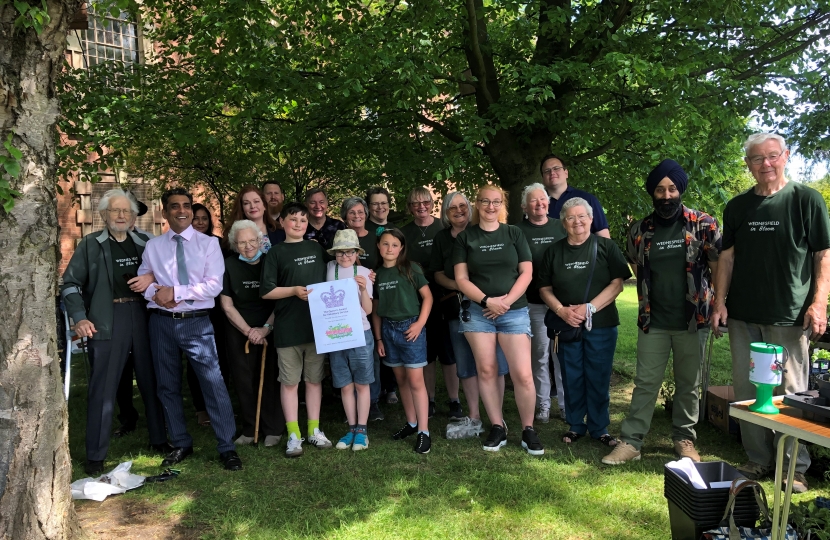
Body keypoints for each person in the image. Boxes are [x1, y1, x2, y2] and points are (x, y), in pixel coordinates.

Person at [711, 133, 830, 493]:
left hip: (789, 316)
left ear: (786, 157)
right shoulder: (737, 207)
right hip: (744, 315)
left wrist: (819, 302)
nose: (766, 164)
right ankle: (758, 459)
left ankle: (794, 466)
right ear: (748, 164)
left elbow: (823, 255)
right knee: (748, 389)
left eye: (772, 156)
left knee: (790, 391)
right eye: (757, 159)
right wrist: (719, 301)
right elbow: (726, 258)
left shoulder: (805, 200)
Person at [603, 160, 721, 466]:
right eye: (659, 189)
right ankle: (631, 441)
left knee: (688, 384)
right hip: (653, 320)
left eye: (671, 188)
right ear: (652, 193)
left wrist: (719, 303)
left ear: (679, 190)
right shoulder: (639, 229)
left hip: (693, 320)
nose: (666, 195)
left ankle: (684, 439)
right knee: (645, 382)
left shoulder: (703, 224)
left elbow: (719, 265)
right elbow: (635, 263)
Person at [61, 189, 168, 475]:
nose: (121, 216)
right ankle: (96, 454)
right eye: (115, 211)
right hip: (107, 318)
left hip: (146, 316)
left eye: (126, 211)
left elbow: (169, 274)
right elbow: (69, 284)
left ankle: (160, 440)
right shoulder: (89, 245)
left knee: (153, 380)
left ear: (134, 216)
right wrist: (80, 318)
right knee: (103, 387)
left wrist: (151, 277)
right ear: (104, 215)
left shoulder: (147, 242)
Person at [137, 187, 242, 471]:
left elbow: (213, 285)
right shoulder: (153, 247)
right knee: (167, 385)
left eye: (186, 205)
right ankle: (181, 442)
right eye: (175, 206)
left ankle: (227, 447)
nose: (181, 211)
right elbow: (142, 282)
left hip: (196, 322)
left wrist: (175, 292)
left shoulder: (208, 244)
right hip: (161, 322)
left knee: (213, 382)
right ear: (165, 212)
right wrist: (156, 294)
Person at [453, 184, 544, 455]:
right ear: (477, 204)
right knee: (487, 370)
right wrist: (487, 301)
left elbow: (526, 273)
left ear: (502, 204)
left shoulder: (514, 233)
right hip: (478, 313)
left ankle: (528, 429)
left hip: (513, 311)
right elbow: (461, 279)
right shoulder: (465, 238)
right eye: (485, 202)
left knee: (523, 374)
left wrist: (504, 302)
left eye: (496, 202)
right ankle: (497, 426)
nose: (490, 207)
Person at [539, 197, 631, 448]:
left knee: (599, 375)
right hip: (566, 325)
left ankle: (599, 427)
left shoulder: (606, 247)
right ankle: (576, 424)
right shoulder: (553, 251)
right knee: (571, 375)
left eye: (582, 216)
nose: (577, 222)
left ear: (591, 219)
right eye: (570, 217)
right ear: (563, 223)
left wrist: (589, 308)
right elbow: (544, 288)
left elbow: (617, 284)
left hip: (601, 324)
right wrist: (561, 310)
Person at [430, 191, 510, 439]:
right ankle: (474, 417)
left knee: (495, 364)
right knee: (465, 364)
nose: (458, 211)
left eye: (462, 206)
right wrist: (460, 286)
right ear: (445, 212)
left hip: (490, 308)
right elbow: (437, 273)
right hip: (458, 309)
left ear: (470, 207)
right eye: (452, 208)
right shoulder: (442, 238)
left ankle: (498, 419)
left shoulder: (484, 230)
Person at [260, 202, 332, 457]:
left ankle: (314, 430)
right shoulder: (276, 253)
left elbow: (334, 275)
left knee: (314, 380)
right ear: (283, 223)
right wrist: (292, 291)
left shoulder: (316, 248)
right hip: (288, 328)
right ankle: (294, 434)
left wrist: (362, 276)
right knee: (290, 383)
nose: (299, 223)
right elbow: (267, 291)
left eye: (303, 219)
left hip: (317, 327)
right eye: (293, 219)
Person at [220, 220, 284, 447]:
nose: (248, 246)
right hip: (239, 329)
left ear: (260, 240)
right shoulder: (228, 265)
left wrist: (265, 329)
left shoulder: (272, 261)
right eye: (242, 242)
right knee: (244, 378)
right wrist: (249, 331)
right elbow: (227, 305)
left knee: (270, 378)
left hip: (270, 326)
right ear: (235, 245)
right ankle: (250, 428)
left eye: (252, 241)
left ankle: (273, 428)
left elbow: (281, 301)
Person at [401, 186, 461, 419]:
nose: (421, 206)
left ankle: (454, 400)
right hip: (416, 300)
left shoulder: (444, 228)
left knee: (448, 352)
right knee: (426, 353)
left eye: (425, 202)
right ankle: (430, 399)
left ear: (432, 203)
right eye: (415, 203)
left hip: (446, 297)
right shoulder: (403, 232)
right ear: (410, 207)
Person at [373, 228, 434, 454]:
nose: (390, 249)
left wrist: (419, 324)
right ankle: (411, 423)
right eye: (385, 244)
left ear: (401, 248)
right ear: (379, 246)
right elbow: (376, 310)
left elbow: (428, 297)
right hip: (388, 331)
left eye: (395, 245)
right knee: (401, 381)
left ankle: (424, 432)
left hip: (411, 329)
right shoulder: (376, 275)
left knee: (416, 381)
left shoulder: (411, 268)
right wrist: (379, 337)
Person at [515, 183, 567, 423]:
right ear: (525, 206)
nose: (539, 204)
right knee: (540, 355)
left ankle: (567, 405)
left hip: (563, 303)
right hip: (533, 303)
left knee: (562, 355)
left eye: (543, 199)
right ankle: (543, 404)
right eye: (533, 201)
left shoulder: (561, 226)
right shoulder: (516, 231)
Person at [326, 229, 375, 451]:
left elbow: (369, 309)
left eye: (349, 252)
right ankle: (351, 427)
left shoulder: (364, 272)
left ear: (357, 253)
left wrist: (364, 288)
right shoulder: (329, 269)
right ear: (334, 254)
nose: (345, 257)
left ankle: (362, 430)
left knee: (361, 383)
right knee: (345, 384)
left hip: (361, 333)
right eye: (340, 253)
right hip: (336, 335)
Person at [341, 197, 384, 421]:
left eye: (360, 212)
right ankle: (350, 402)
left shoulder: (376, 237)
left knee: (373, 352)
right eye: (351, 212)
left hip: (373, 296)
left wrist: (371, 277)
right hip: (346, 311)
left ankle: (373, 401)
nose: (357, 216)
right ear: (345, 216)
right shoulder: (341, 243)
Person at [189, 202, 231, 426]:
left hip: (216, 308)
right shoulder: (182, 244)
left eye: (204, 218)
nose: (200, 222)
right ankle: (201, 408)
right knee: (195, 357)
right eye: (196, 218)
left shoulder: (218, 244)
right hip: (192, 307)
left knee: (219, 357)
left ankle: (220, 405)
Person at [540, 154, 610, 238]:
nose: (552, 173)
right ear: (543, 178)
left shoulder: (587, 199)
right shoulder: (536, 205)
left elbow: (604, 238)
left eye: (556, 168)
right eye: (547, 171)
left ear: (566, 173)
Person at [223, 186, 283, 253]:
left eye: (256, 201)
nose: (252, 206)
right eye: (246, 203)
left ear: (264, 206)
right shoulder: (233, 235)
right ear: (242, 209)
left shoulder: (281, 231)